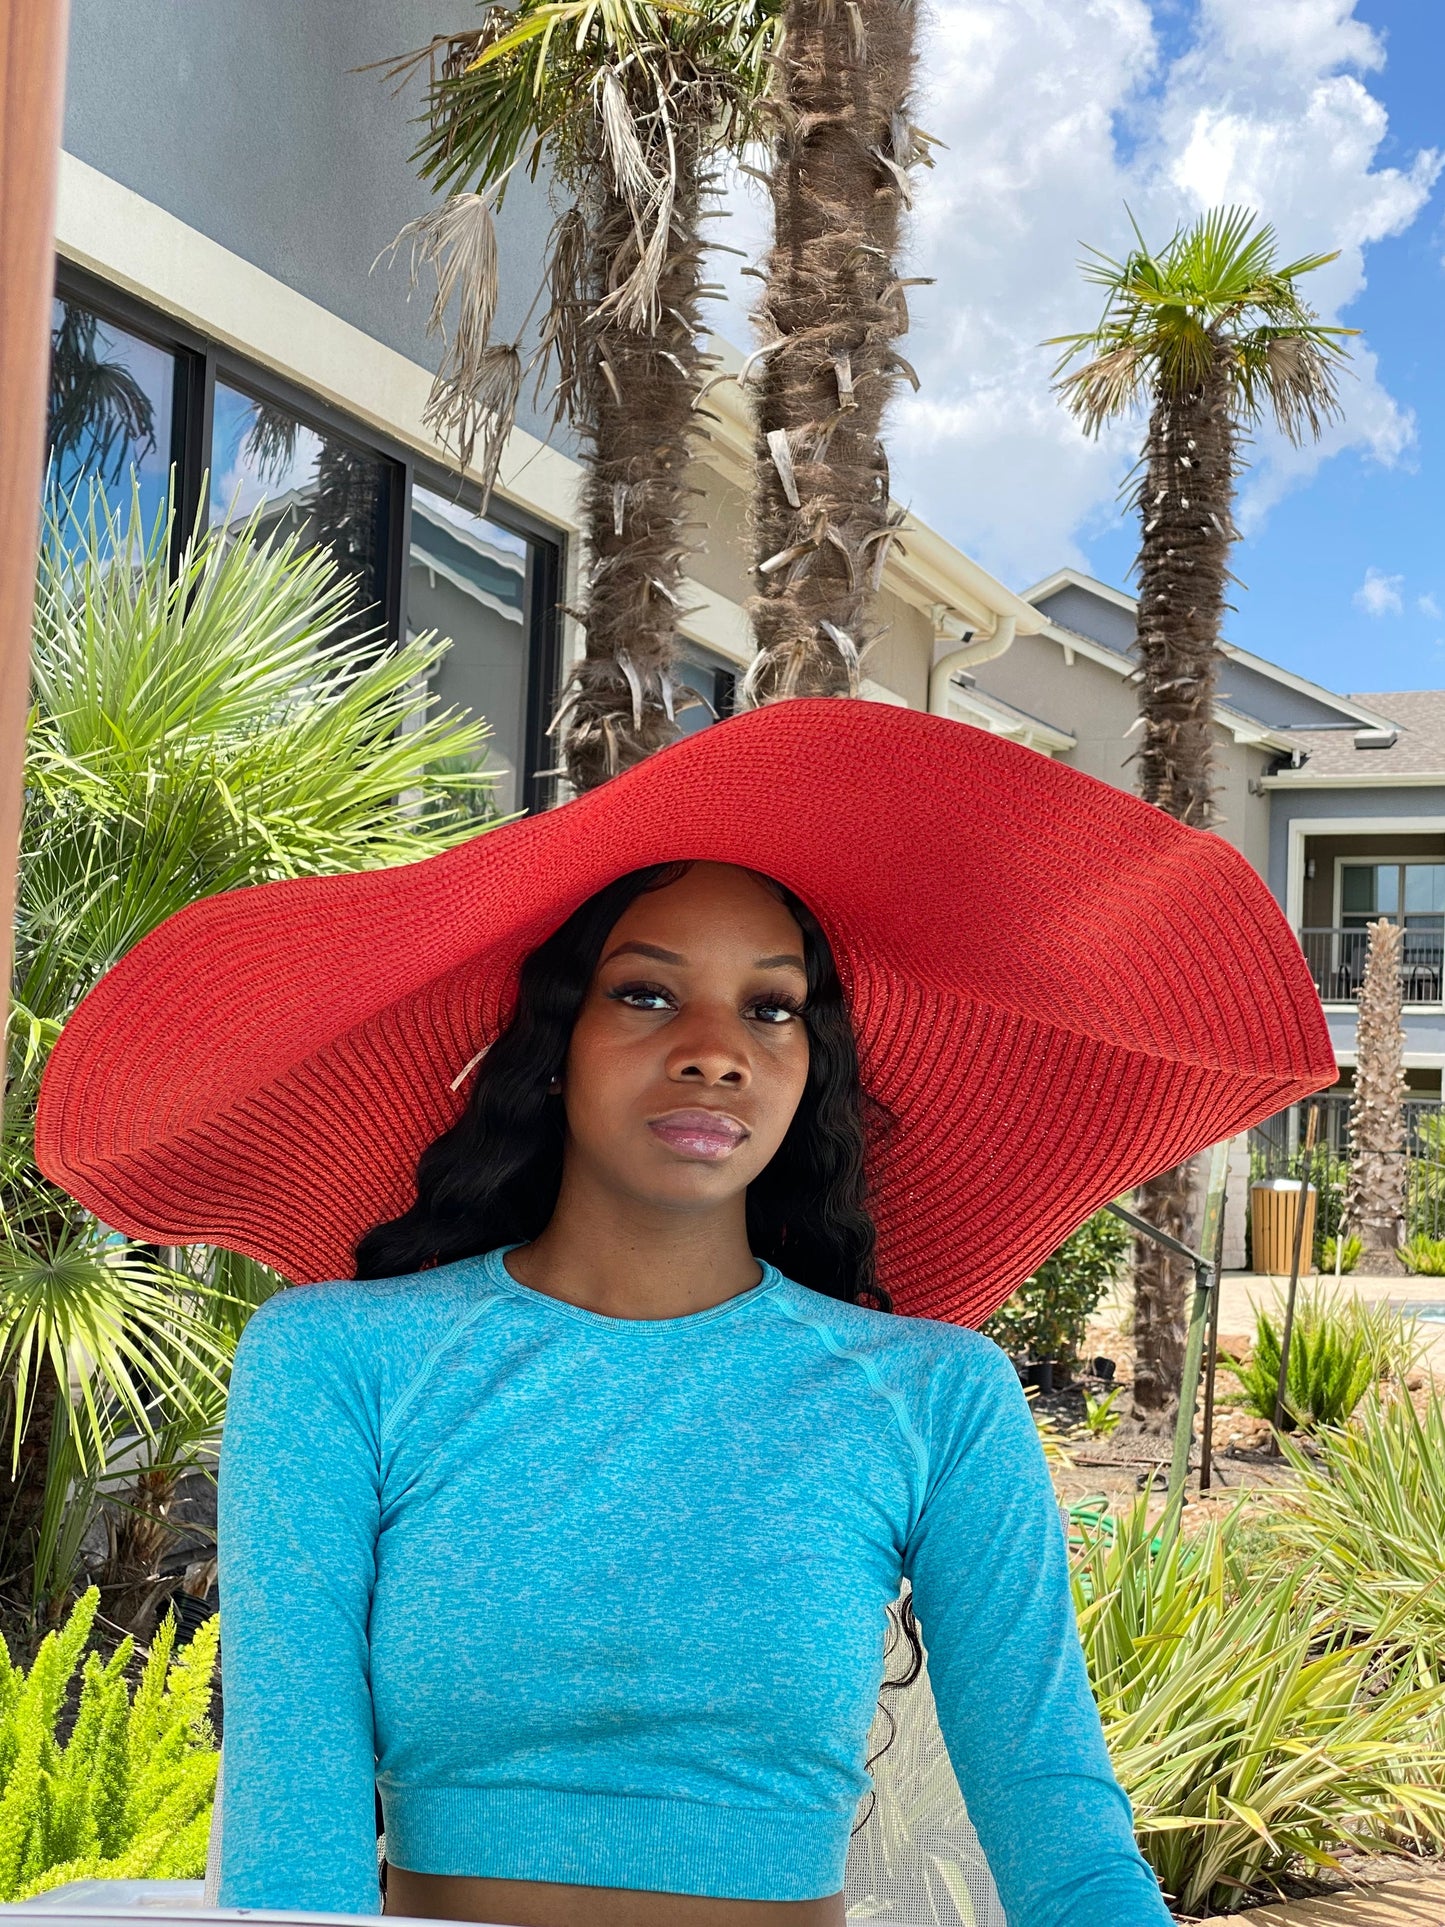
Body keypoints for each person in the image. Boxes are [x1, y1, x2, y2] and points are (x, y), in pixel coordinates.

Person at [35, 700, 1335, 1927]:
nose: (716, 1047)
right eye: (646, 993)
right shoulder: (335, 1362)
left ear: (806, 1068)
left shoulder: (935, 1398)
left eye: (771, 1008)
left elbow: (1053, 1817)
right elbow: (293, 1796)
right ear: (553, 1042)